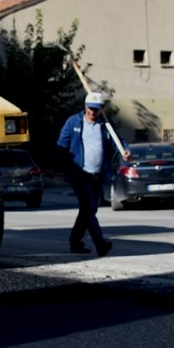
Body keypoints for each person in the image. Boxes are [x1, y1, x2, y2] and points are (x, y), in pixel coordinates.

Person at [56, 91, 130, 257]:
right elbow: (61, 145)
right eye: (90, 108)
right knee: (88, 208)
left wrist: (126, 151)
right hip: (80, 174)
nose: (92, 112)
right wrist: (56, 167)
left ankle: (75, 242)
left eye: (96, 109)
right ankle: (100, 243)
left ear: (101, 109)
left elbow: (119, 141)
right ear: (85, 106)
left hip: (98, 175)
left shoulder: (106, 125)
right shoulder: (73, 122)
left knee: (88, 211)